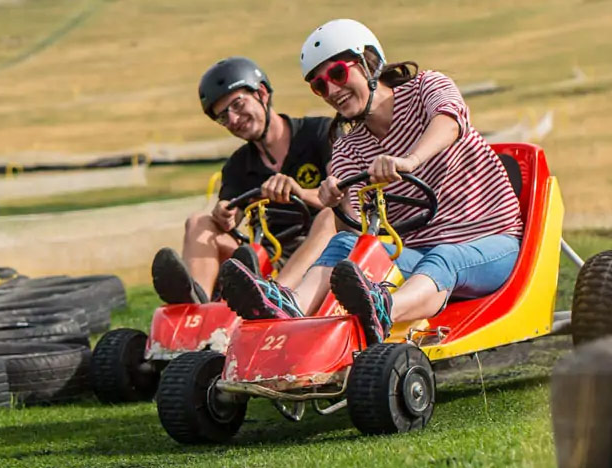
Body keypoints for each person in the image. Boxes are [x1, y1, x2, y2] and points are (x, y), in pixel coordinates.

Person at [213, 18, 524, 344]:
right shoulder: (348, 146)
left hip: (492, 244)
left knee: (445, 256)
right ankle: (287, 307)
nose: (332, 91)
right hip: (417, 255)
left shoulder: (426, 88)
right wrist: (338, 204)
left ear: (370, 62)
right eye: (320, 86)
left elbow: (450, 121)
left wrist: (410, 161)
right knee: (343, 244)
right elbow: (359, 237)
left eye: (338, 74)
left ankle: (384, 308)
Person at [150, 57, 337, 305]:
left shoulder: (319, 132)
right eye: (223, 117)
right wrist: (224, 216)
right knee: (198, 223)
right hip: (272, 255)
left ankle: (278, 297)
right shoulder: (237, 165)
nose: (234, 120)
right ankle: (196, 308)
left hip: (326, 247)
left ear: (262, 93)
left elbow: (344, 195)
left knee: (329, 216)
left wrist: (300, 192)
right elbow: (231, 217)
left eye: (238, 105)